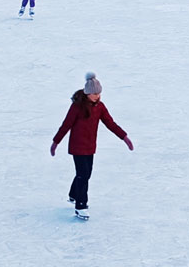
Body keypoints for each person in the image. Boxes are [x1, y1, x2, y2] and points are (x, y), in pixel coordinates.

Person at [51, 72, 132, 217]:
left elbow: (110, 124)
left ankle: (74, 194)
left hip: (90, 147)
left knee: (85, 174)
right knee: (83, 175)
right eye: (94, 93)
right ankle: (80, 205)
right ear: (87, 93)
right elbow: (66, 125)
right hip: (77, 146)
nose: (97, 96)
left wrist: (124, 137)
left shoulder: (100, 107)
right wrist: (55, 142)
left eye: (99, 93)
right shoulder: (77, 107)